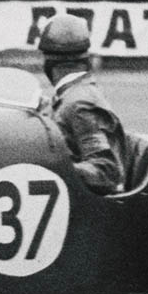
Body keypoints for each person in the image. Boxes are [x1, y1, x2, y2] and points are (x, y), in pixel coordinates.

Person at [38, 14, 128, 194]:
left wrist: (53, 169)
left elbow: (106, 171)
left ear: (49, 62)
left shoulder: (80, 103)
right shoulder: (70, 96)